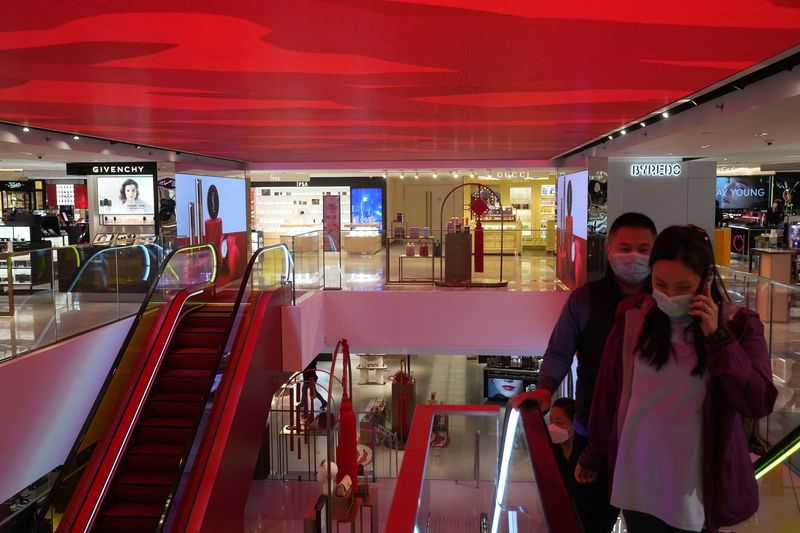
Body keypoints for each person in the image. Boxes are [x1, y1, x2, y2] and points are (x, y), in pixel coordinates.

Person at [576, 225, 777, 533]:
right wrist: (594, 454)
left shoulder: (739, 326)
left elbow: (758, 400)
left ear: (706, 280)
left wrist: (718, 339)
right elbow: (609, 393)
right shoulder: (634, 318)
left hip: (691, 487)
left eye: (683, 286)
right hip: (637, 479)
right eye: (660, 283)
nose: (669, 295)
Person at [548, 398, 618, 533]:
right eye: (551, 421)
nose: (553, 427)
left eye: (559, 423)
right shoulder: (551, 450)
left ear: (576, 424)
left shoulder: (590, 456)